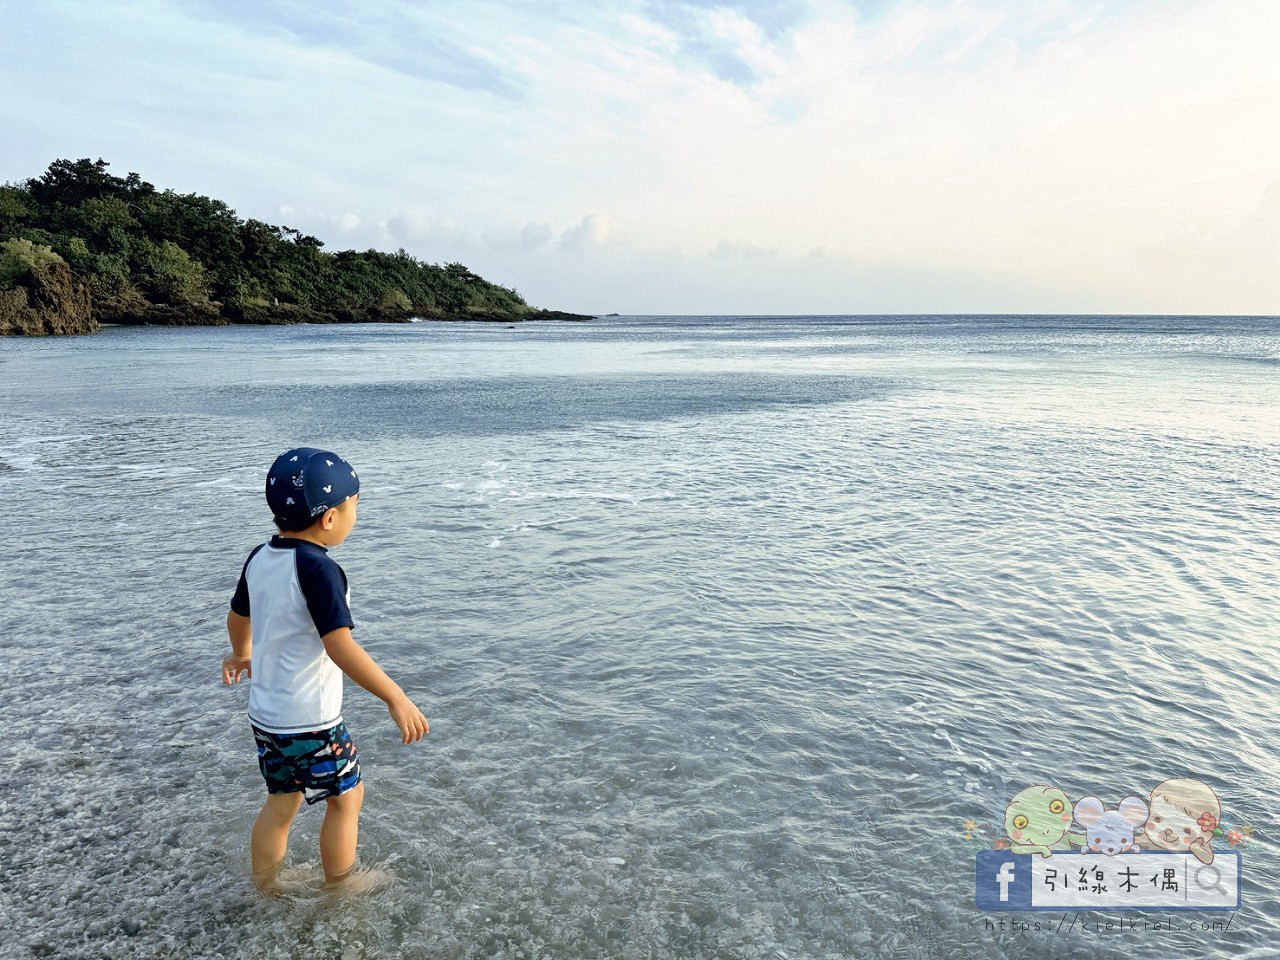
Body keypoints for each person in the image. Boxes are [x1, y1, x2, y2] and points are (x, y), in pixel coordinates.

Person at [222, 447, 429, 892]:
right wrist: (396, 697)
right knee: (347, 798)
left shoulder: (261, 556)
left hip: (267, 717)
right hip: (311, 721)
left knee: (282, 801)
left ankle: (266, 887)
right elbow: (339, 646)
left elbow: (239, 617)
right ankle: (340, 887)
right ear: (329, 518)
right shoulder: (319, 568)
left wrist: (242, 653)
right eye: (354, 505)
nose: (356, 514)